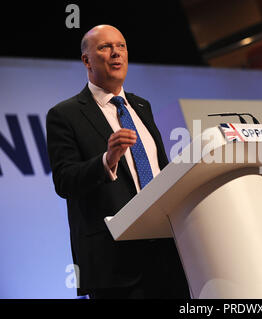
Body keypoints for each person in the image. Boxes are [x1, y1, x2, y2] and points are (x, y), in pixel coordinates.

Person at [46, 25, 190, 299]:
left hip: (167, 252)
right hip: (114, 263)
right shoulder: (65, 114)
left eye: (121, 46)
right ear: (86, 60)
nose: (116, 53)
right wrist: (106, 160)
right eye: (104, 47)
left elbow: (161, 170)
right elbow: (64, 181)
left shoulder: (141, 106)